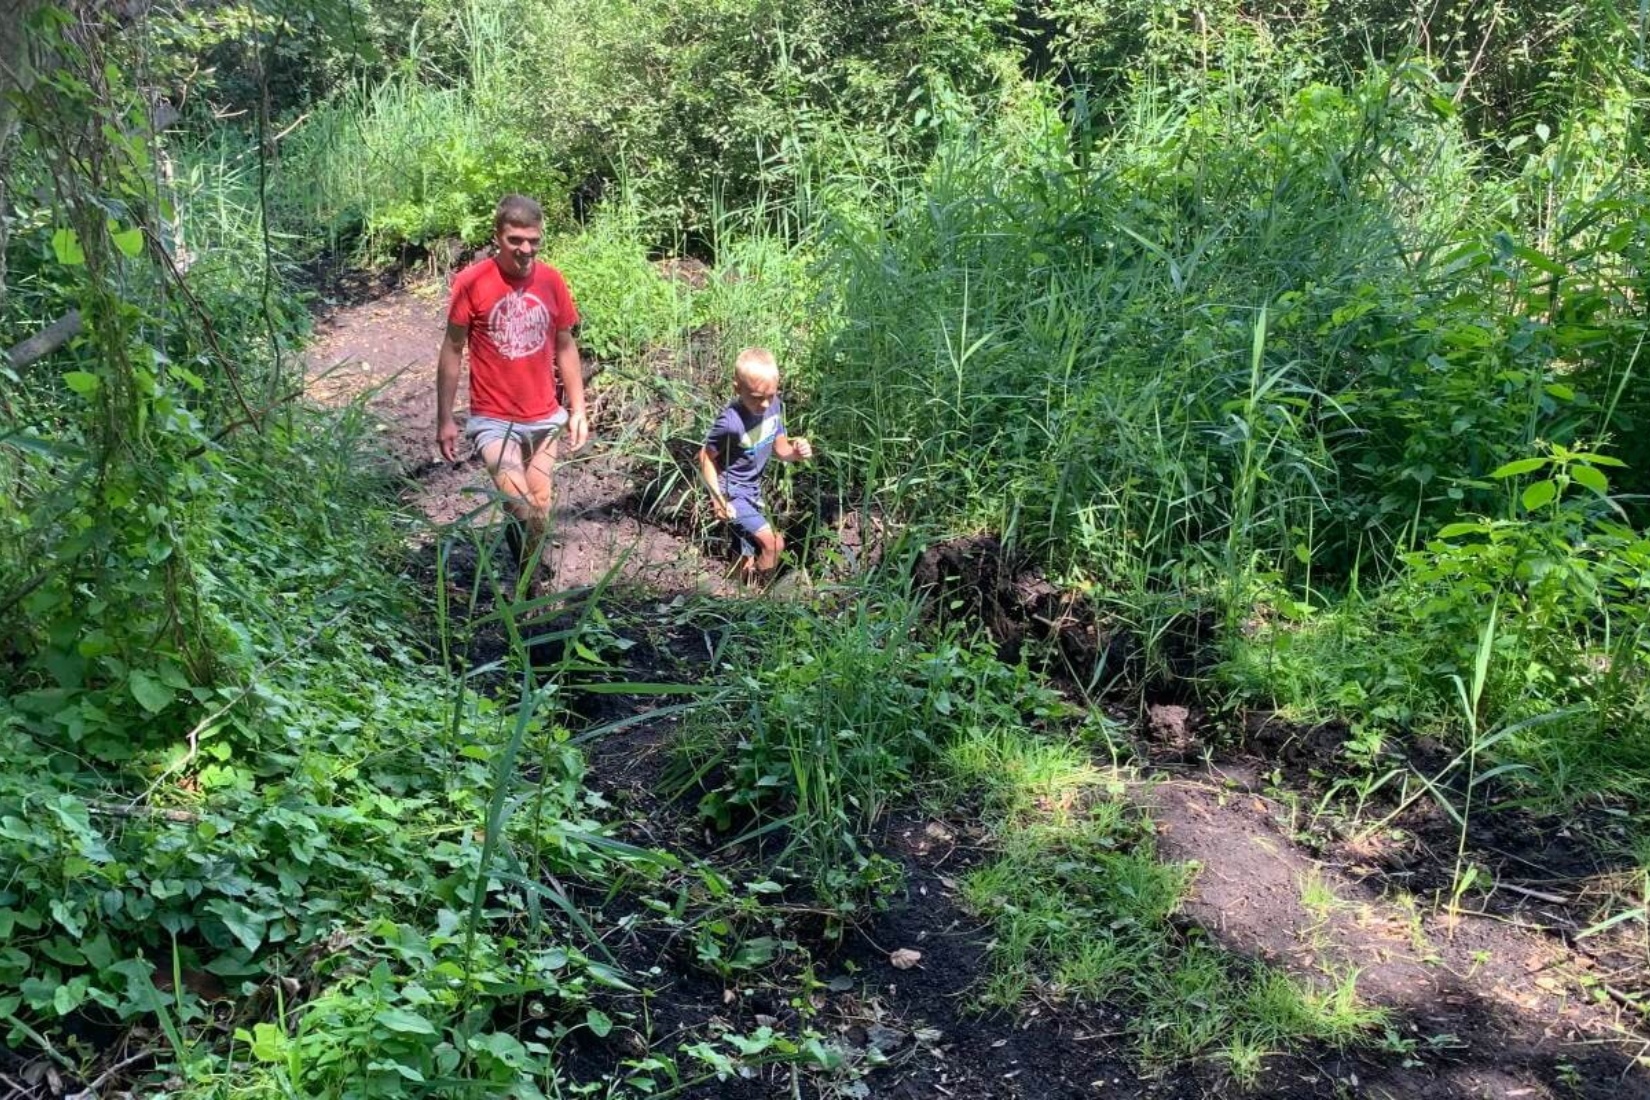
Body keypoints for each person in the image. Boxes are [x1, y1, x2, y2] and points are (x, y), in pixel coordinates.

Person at [436, 194, 588, 592]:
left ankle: (526, 581)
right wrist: (445, 418)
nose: (525, 249)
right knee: (518, 502)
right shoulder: (472, 282)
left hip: (544, 415)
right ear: (497, 236)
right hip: (492, 418)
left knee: (539, 506)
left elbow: (565, 345)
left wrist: (578, 407)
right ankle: (529, 581)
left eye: (533, 240)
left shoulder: (552, 281)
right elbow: (452, 349)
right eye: (515, 240)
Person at [697, 347, 813, 579]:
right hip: (732, 494)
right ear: (737, 389)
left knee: (745, 556)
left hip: (753, 490)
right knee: (773, 544)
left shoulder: (774, 406)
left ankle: (732, 594)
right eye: (757, 398)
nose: (764, 405)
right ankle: (762, 598)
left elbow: (781, 449)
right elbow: (704, 457)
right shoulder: (730, 422)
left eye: (770, 395)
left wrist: (797, 452)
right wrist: (717, 499)